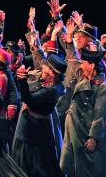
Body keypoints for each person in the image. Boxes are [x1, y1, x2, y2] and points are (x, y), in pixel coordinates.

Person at [59, 19, 106, 177]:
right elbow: (72, 57)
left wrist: (94, 136)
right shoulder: (82, 65)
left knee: (95, 162)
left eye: (81, 35)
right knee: (71, 163)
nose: (77, 38)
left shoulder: (101, 79)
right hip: (76, 123)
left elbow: (100, 111)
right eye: (77, 35)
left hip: (93, 121)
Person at [13, 46, 66, 177]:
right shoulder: (46, 83)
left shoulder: (52, 91)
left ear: (52, 73)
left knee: (36, 168)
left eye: (46, 67)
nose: (43, 67)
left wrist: (22, 80)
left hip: (34, 134)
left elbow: (28, 99)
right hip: (30, 131)